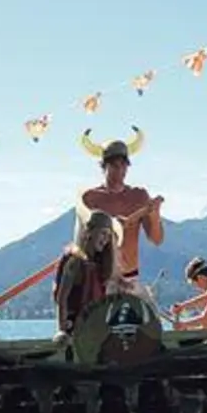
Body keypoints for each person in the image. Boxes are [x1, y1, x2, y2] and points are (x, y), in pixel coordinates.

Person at [77, 127, 164, 303]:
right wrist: (110, 228)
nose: (120, 170)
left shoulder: (139, 196)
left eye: (124, 165)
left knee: (149, 324)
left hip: (131, 277)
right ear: (103, 166)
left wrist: (154, 214)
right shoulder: (90, 198)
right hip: (100, 278)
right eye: (114, 165)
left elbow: (156, 239)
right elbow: (82, 243)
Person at [51, 209, 121, 344]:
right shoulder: (74, 260)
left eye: (108, 236)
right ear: (89, 232)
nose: (105, 239)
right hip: (75, 327)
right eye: (102, 233)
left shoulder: (100, 265)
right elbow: (62, 298)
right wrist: (62, 328)